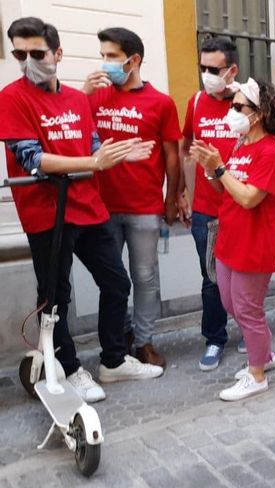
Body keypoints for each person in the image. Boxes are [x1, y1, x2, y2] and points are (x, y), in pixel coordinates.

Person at [0, 17, 163, 402]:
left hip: (89, 207)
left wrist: (116, 155)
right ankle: (70, 369)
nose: (28, 62)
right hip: (46, 213)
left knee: (117, 283)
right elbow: (32, 158)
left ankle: (113, 361)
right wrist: (94, 162)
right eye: (19, 55)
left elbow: (91, 145)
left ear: (58, 54)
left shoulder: (76, 99)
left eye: (37, 53)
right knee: (55, 296)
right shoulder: (11, 98)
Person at [81, 27, 180, 368]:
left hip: (144, 207)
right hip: (102, 206)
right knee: (112, 280)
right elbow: (71, 132)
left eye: (112, 56)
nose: (105, 63)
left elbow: (171, 156)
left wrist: (172, 199)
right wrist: (83, 93)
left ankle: (144, 342)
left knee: (145, 277)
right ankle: (119, 335)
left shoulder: (161, 102)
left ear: (133, 59)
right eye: (103, 56)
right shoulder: (94, 97)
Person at [190, 78, 275, 401]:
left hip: (254, 242)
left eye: (237, 106)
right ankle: (264, 354)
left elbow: (249, 198)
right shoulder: (240, 145)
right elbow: (227, 191)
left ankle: (257, 374)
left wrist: (219, 169)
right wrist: (210, 169)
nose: (230, 112)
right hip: (230, 239)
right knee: (231, 304)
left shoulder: (270, 153)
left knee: (248, 309)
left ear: (259, 113)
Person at [181, 37, 241, 370]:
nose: (207, 75)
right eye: (202, 68)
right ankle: (215, 338)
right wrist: (186, 195)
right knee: (211, 278)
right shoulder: (196, 102)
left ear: (232, 70)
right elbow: (186, 147)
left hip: (242, 204)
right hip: (206, 210)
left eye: (214, 69)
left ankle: (249, 329)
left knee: (246, 273)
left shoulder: (248, 101)